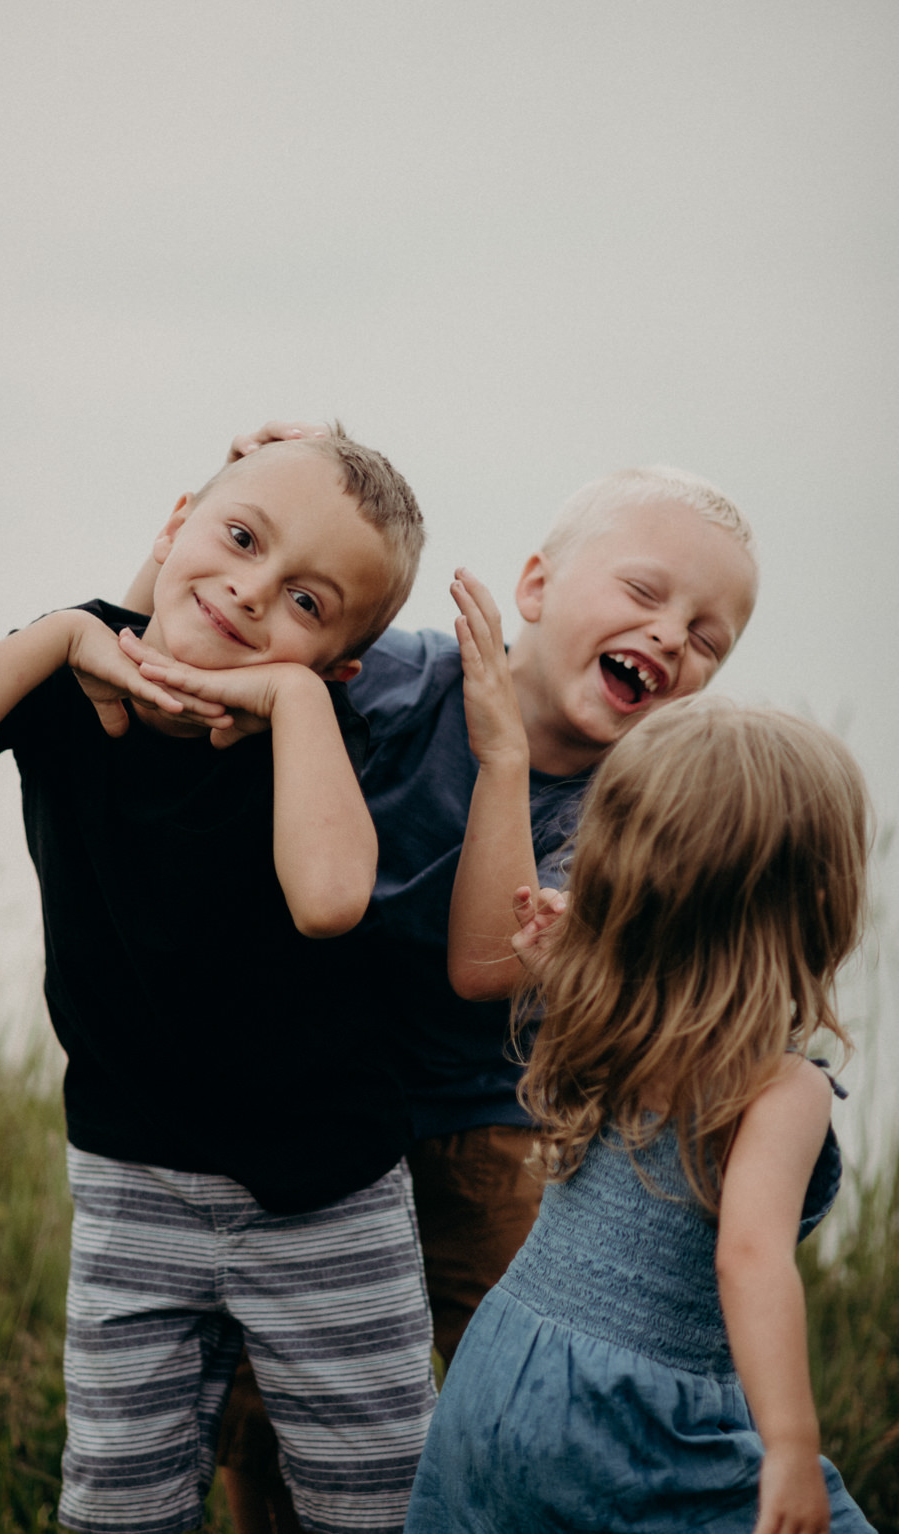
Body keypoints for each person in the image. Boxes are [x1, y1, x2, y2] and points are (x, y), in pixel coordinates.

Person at [121, 425, 760, 1533]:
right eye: (647, 594)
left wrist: (503, 757)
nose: (669, 634)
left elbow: (485, 968)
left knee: (511, 1378)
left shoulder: (627, 817)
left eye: (707, 636)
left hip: (487, 1124)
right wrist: (222, 501)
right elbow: (182, 680)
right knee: (270, 1393)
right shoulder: (398, 681)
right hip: (315, 1109)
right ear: (535, 585)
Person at [0, 428, 438, 1534]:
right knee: (119, 1501)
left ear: (338, 665)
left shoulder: (320, 730)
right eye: (237, 536)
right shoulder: (68, 673)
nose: (248, 588)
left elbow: (328, 897)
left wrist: (295, 699)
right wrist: (64, 632)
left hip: (325, 1195)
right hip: (133, 1175)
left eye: (306, 603)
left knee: (372, 1502)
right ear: (177, 519)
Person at [404, 624, 875, 1532]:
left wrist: (576, 948)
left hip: (496, 1378)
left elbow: (582, 963)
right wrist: (788, 1445)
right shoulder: (781, 1089)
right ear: (821, 902)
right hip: (631, 1421)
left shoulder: (606, 1015)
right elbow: (748, 1258)